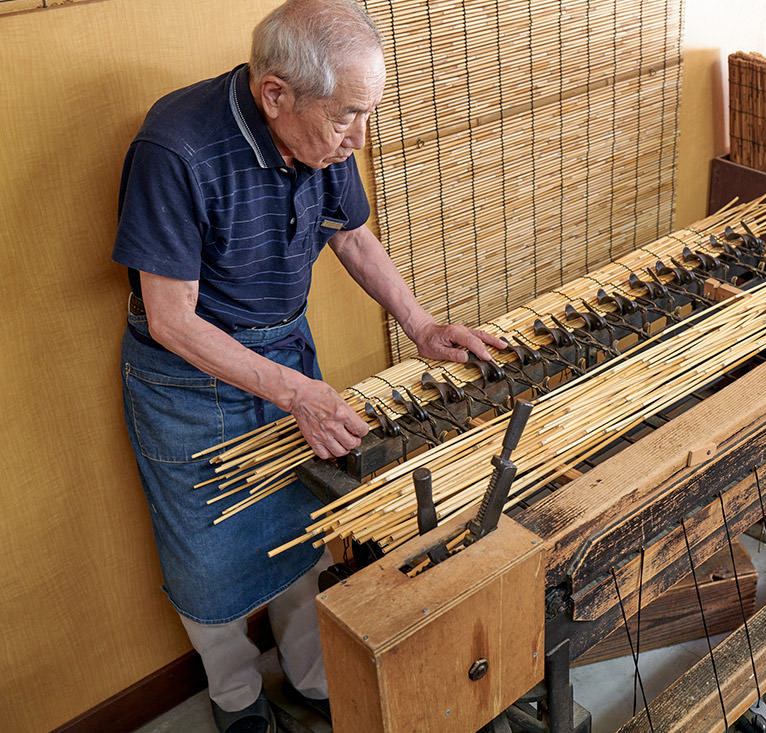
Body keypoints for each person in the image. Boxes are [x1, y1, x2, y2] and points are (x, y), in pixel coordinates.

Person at [111, 1, 504, 730]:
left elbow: (351, 237)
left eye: (369, 112)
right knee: (206, 558)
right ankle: (237, 700)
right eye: (348, 115)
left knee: (304, 522)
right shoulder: (178, 148)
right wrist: (296, 392)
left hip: (286, 356)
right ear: (276, 95)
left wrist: (420, 325)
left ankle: (313, 675)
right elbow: (170, 319)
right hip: (188, 378)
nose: (359, 137)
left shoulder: (323, 143)